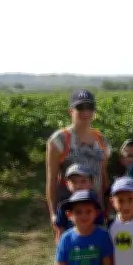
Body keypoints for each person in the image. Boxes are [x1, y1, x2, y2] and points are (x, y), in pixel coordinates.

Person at [46, 89, 111, 227]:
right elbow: (52, 181)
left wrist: (107, 208)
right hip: (70, 212)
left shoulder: (101, 139)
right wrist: (53, 214)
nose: (86, 112)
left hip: (95, 210)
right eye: (80, 107)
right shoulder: (59, 140)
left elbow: (103, 176)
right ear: (71, 111)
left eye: (90, 107)